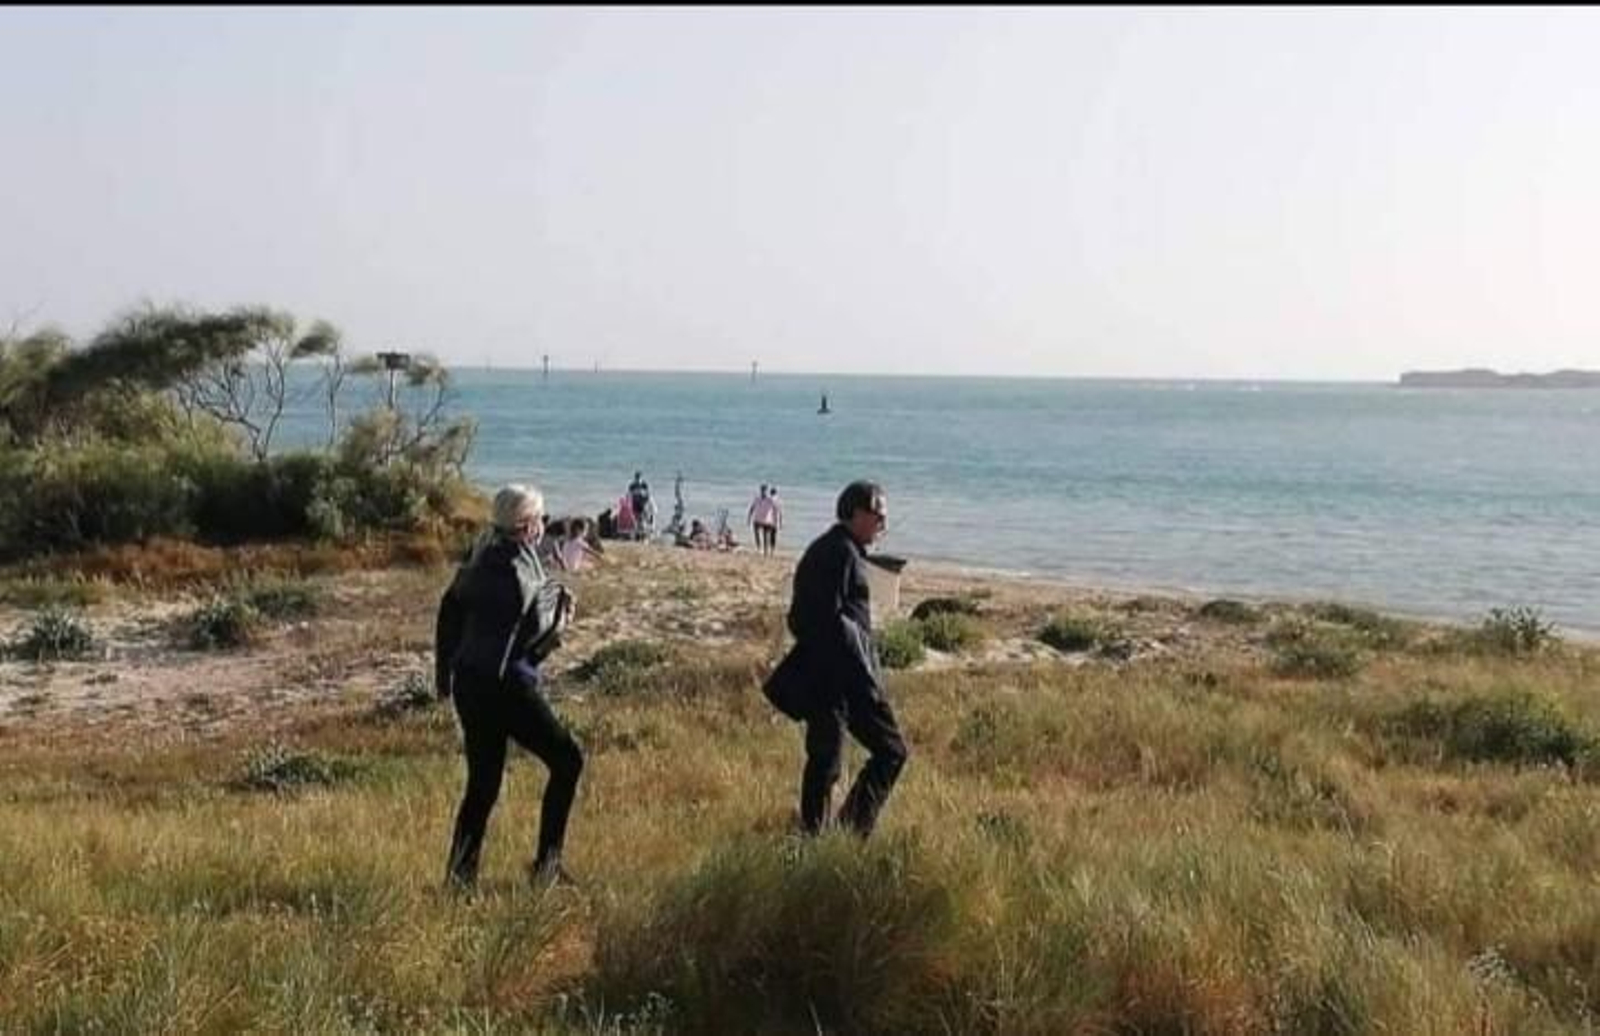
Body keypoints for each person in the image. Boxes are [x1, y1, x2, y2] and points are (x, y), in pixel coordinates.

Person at [435, 484, 583, 889]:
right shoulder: (519, 572)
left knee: (482, 785)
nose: (544, 526)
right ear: (526, 525)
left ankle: (459, 880)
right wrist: (562, 621)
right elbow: (533, 643)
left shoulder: (478, 556)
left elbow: (448, 614)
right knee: (568, 760)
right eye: (541, 519)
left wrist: (443, 678)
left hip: (469, 682)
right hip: (505, 686)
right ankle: (546, 867)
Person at [774, 480, 907, 837]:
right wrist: (861, 674)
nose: (882, 525)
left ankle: (834, 834)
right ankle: (836, 836)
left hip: (841, 676)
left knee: (832, 760)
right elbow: (815, 620)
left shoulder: (841, 550)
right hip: (839, 679)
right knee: (879, 753)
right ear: (856, 513)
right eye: (878, 516)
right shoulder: (836, 552)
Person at [748, 484, 778, 557]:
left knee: (765, 536)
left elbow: (775, 509)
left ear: (766, 491)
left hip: (766, 520)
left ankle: (766, 551)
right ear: (761, 490)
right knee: (756, 533)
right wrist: (749, 518)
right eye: (762, 490)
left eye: (764, 490)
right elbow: (752, 508)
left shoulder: (770, 499)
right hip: (757, 519)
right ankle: (759, 548)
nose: (763, 492)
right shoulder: (757, 498)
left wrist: (776, 520)